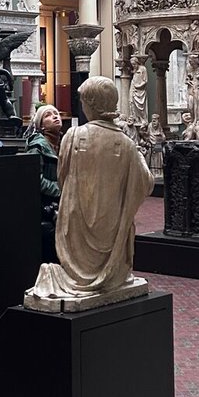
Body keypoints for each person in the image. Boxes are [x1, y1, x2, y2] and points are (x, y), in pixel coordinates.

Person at [25, 77, 153, 303]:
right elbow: (145, 184)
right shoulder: (126, 144)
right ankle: (108, 276)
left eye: (84, 101)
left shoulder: (73, 136)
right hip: (111, 231)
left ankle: (79, 278)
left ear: (92, 104)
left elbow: (62, 179)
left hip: (76, 231)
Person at [25, 104, 63, 262]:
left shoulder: (63, 144)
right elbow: (34, 179)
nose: (55, 116)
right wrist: (60, 190)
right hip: (45, 206)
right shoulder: (37, 146)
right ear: (41, 125)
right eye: (48, 115)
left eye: (56, 113)